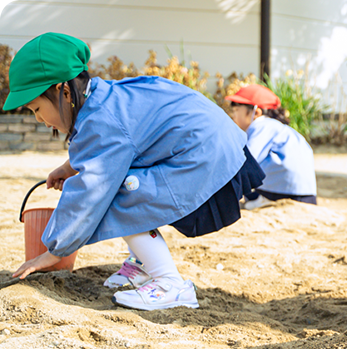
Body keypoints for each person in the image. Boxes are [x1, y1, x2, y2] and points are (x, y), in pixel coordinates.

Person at [8, 33, 265, 311]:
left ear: (64, 92)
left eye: (37, 109)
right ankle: (144, 265)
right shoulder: (103, 97)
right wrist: (69, 167)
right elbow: (124, 143)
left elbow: (91, 190)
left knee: (117, 192)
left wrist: (54, 251)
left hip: (206, 157)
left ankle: (170, 285)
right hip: (216, 148)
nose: (40, 120)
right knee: (123, 180)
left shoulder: (100, 119)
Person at [226, 84, 317, 209]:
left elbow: (245, 161)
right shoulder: (281, 129)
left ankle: (263, 201)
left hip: (282, 193)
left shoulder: (260, 125)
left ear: (256, 112)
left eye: (236, 111)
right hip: (307, 194)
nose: (233, 116)